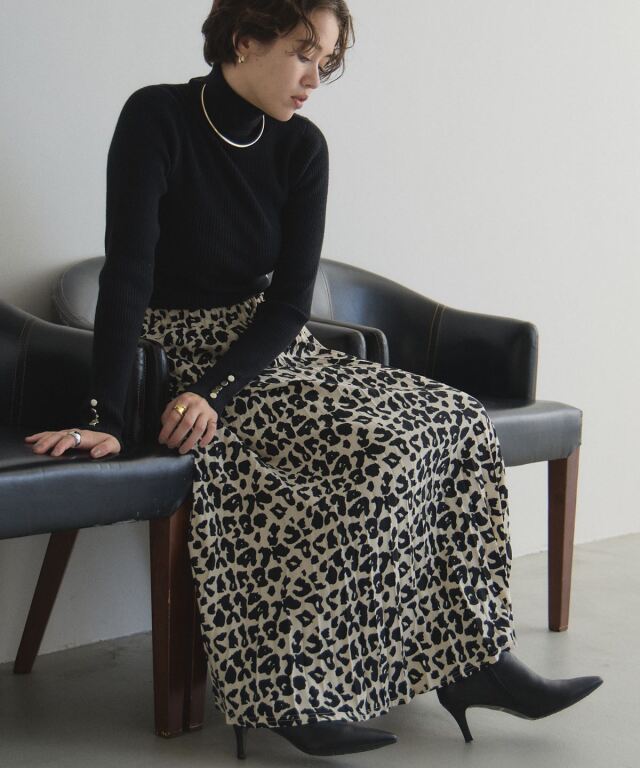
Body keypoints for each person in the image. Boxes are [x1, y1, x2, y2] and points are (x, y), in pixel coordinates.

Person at [24, 0, 603, 759]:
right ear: (244, 40)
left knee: (460, 419)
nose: (314, 80)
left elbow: (290, 302)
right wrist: (106, 409)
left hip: (269, 353)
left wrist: (222, 390)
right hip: (181, 355)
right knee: (379, 450)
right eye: (304, 54)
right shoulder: (156, 118)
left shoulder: (303, 148)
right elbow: (127, 275)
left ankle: (476, 661)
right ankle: (292, 689)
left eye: (326, 62)